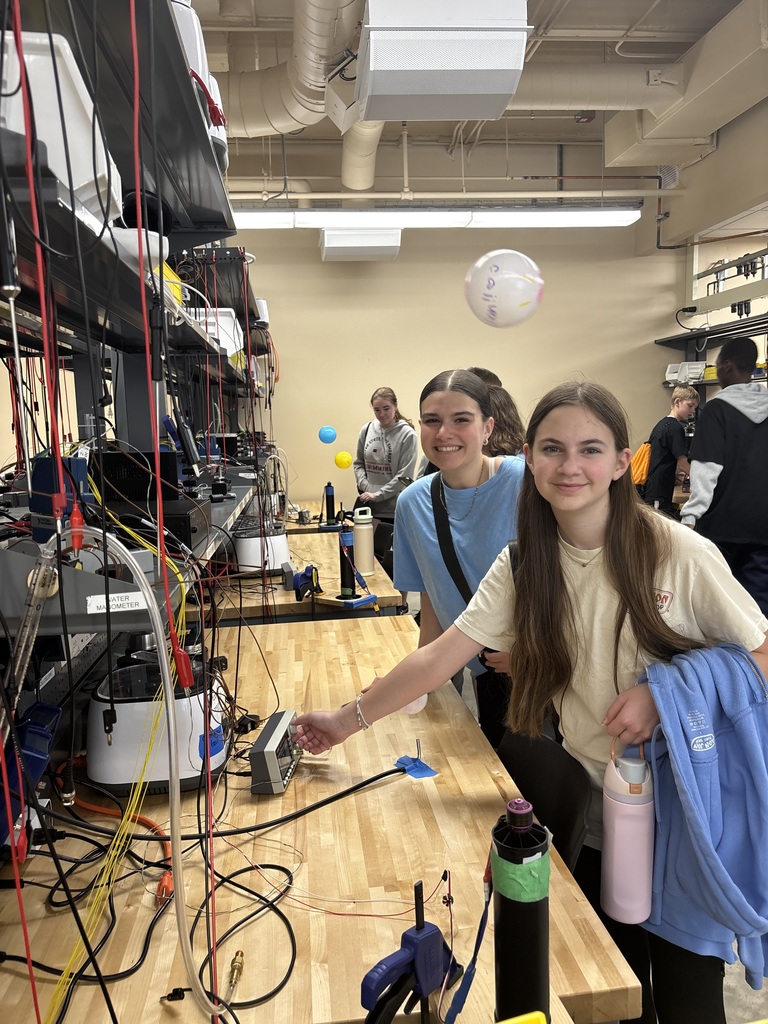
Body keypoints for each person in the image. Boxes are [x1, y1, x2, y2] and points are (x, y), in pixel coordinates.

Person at [295, 380, 768, 1024]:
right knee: (622, 995)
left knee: (688, 999)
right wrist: (344, 720)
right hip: (602, 815)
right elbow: (439, 656)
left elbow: (761, 656)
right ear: (531, 457)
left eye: (590, 449)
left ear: (623, 461)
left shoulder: (677, 554)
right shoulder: (526, 564)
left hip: (684, 816)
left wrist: (664, 695)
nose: (570, 466)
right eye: (552, 449)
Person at [393, 369, 525, 745]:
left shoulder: (525, 483)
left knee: (548, 782)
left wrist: (536, 654)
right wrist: (420, 681)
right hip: (485, 672)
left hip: (543, 670)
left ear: (487, 428)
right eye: (432, 421)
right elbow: (434, 598)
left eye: (461, 420)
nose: (443, 433)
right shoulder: (412, 504)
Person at [681, 336, 768, 615]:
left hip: (724, 527)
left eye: (717, 365)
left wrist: (690, 517)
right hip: (764, 526)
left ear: (728, 365)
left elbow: (707, 469)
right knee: (758, 610)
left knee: (721, 607)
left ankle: (725, 659)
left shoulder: (717, 410)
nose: (717, 372)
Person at [353, 387, 418, 606]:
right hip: (368, 503)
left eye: (386, 409)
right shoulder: (367, 429)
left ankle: (400, 604)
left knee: (396, 562)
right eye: (377, 410)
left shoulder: (407, 434)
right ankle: (369, 602)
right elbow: (358, 463)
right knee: (364, 559)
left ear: (396, 406)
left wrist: (378, 494)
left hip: (393, 506)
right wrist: (364, 487)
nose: (381, 414)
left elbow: (404, 476)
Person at [642, 385, 699, 514]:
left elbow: (661, 458)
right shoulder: (675, 428)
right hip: (658, 491)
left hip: (652, 487)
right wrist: (701, 480)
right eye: (690, 406)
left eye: (695, 407)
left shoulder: (661, 424)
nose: (693, 411)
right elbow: (683, 463)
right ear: (677, 402)